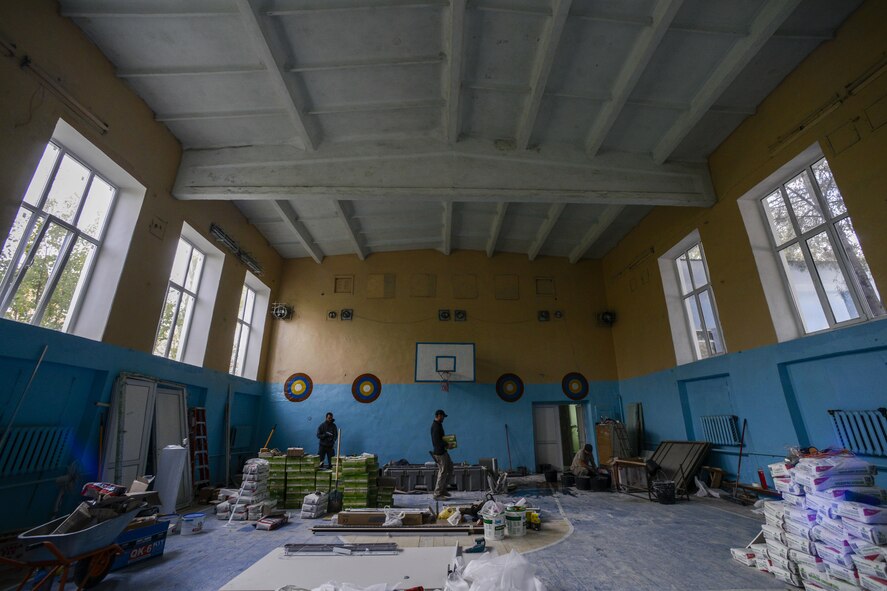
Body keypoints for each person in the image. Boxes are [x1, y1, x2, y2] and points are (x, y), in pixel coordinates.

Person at [430, 409, 453, 500]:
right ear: (439, 415)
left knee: (450, 469)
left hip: (443, 452)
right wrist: (447, 444)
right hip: (439, 453)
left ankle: (442, 489)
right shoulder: (435, 426)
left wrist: (446, 445)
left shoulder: (439, 425)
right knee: (442, 472)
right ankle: (437, 494)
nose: (443, 418)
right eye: (443, 416)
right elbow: (437, 442)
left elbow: (441, 439)